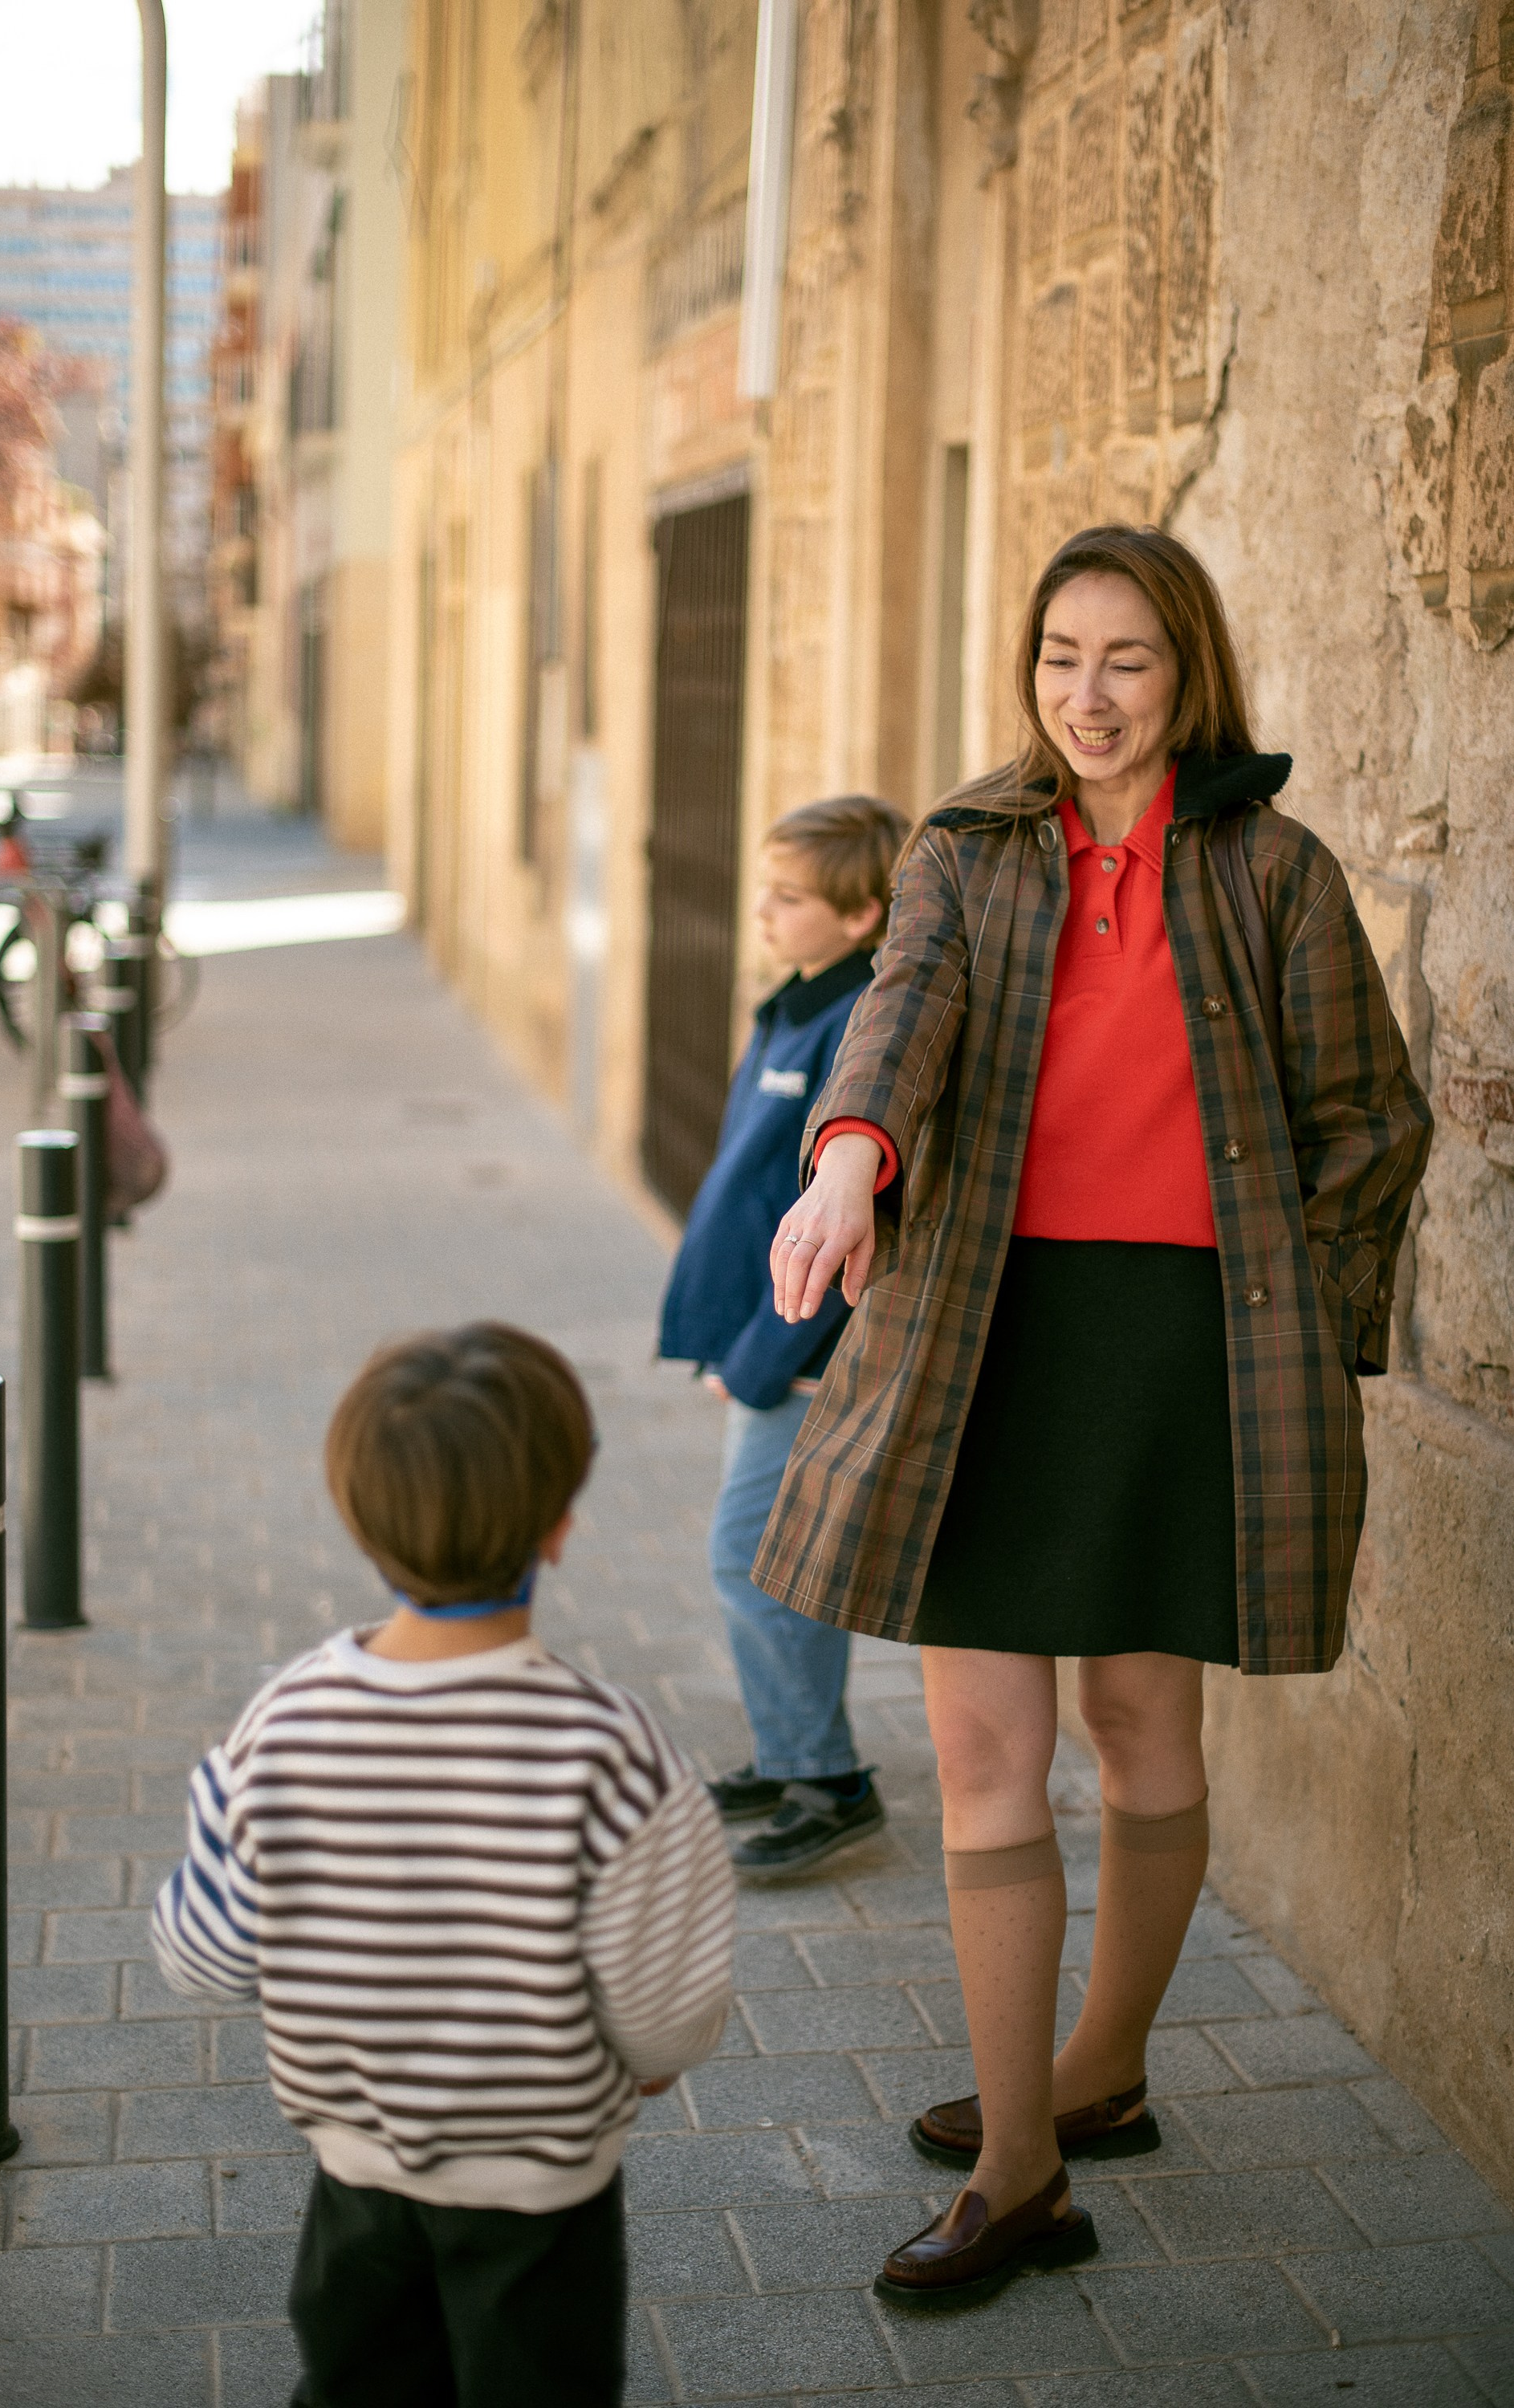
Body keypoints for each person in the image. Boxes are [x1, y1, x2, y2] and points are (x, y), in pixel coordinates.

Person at [755, 524, 1432, 2309]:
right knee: (985, 1758)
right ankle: (1020, 2168)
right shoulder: (971, 854)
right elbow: (895, 1029)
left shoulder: (1274, 870)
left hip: (1180, 1355)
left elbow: (1371, 1120)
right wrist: (845, 1170)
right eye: (1062, 655)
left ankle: (1102, 2070)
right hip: (984, 1335)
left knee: (1142, 1734)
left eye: (1126, 658)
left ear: (1185, 672)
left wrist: (1295, 1324)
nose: (1090, 693)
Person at [151, 1324, 736, 2406]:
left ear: (361, 1522)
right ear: (559, 1527)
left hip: (357, 2179)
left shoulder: (280, 1725)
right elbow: (665, 2018)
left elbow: (205, 1956)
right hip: (545, 2197)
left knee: (358, 2386)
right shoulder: (611, 1751)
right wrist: (652, 2060)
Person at [659, 795, 909, 1877]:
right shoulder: (793, 1006)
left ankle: (829, 1778)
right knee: (758, 1556)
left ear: (861, 916)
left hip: (804, 1353)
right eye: (765, 887)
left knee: (756, 1558)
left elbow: (841, 1215)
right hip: (761, 1343)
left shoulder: (860, 1026)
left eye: (790, 897)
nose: (762, 910)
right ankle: (790, 1750)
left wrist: (762, 1356)